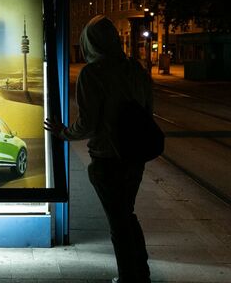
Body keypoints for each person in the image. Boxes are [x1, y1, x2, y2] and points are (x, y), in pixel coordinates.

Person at [44, 15, 152, 283]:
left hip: (107, 159)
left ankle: (130, 278)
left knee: (118, 223)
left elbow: (88, 124)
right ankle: (141, 273)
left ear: (89, 44)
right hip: (135, 156)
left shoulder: (92, 74)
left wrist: (63, 133)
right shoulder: (136, 70)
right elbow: (148, 113)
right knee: (127, 214)